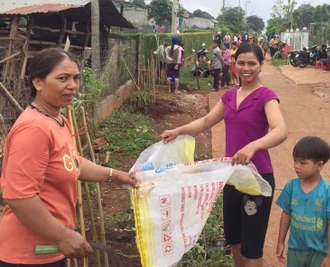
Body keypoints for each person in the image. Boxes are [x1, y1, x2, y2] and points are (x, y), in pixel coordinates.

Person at [0, 48, 138, 266]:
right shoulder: (34, 129)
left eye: (76, 78)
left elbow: (71, 162)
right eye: (63, 78)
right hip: (28, 254)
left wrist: (114, 174)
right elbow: (19, 197)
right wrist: (62, 235)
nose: (72, 85)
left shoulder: (57, 121)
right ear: (38, 83)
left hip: (48, 248)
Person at [161, 43, 287, 267]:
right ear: (234, 64)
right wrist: (178, 131)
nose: (246, 68)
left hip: (257, 180)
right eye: (241, 63)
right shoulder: (229, 96)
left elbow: (280, 130)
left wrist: (253, 146)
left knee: (252, 245)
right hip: (232, 177)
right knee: (235, 240)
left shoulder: (267, 96)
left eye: (252, 63)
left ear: (260, 65)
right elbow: (207, 121)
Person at [276, 136, 330, 267]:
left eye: (303, 163)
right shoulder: (291, 186)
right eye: (295, 161)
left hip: (319, 252)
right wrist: (281, 241)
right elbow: (286, 214)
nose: (296, 166)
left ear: (319, 165)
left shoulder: (328, 193)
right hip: (295, 249)